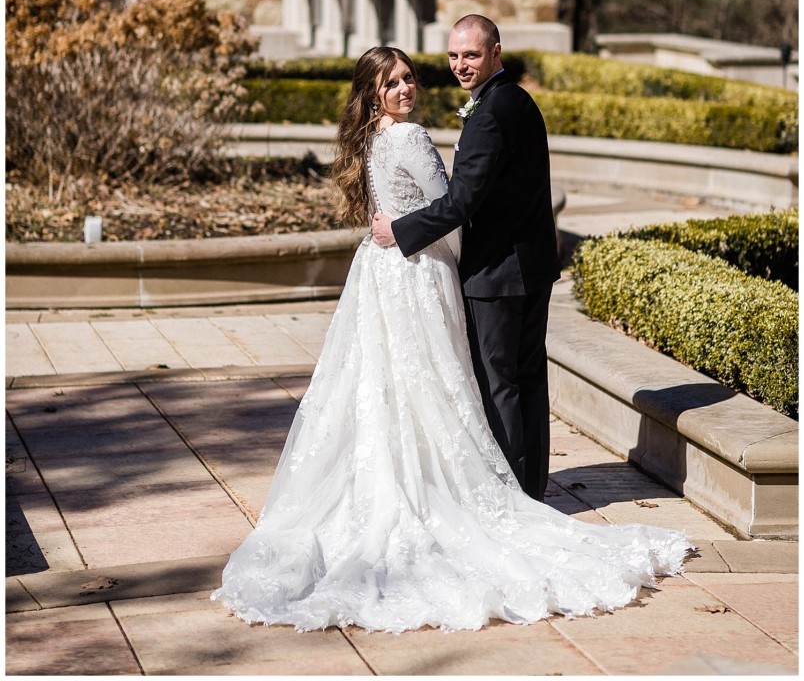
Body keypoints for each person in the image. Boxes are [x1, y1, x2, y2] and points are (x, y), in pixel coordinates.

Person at [211, 45, 690, 633]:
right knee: (438, 378)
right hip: (418, 270)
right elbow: (454, 210)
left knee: (390, 382)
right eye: (392, 82)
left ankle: (420, 478)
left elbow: (411, 207)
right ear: (374, 92)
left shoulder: (372, 138)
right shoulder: (409, 138)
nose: (406, 88)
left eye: (409, 77)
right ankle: (470, 487)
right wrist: (459, 263)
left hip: (381, 269)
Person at [371, 14, 558, 501]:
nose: (461, 65)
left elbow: (460, 203)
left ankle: (518, 496)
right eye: (454, 56)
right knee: (526, 380)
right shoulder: (516, 100)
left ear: (496, 53)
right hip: (530, 265)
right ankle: (533, 487)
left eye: (471, 55)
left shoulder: (491, 113)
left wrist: (400, 230)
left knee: (501, 388)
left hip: (498, 273)